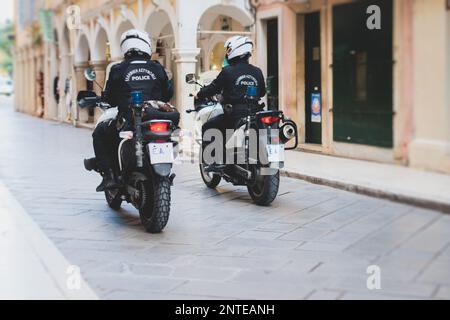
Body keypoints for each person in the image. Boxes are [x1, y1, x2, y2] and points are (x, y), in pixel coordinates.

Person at [92, 29, 173, 192]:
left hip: (128, 121)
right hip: (155, 118)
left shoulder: (117, 69)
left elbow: (110, 98)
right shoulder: (157, 68)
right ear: (146, 45)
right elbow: (168, 93)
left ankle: (109, 175)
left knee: (99, 133)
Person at [196, 36, 266, 169]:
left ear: (235, 50)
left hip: (235, 115)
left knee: (209, 127)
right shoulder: (257, 71)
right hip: (256, 113)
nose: (227, 53)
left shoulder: (228, 71)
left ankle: (215, 161)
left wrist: (199, 93)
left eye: (228, 49)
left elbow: (213, 87)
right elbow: (262, 92)